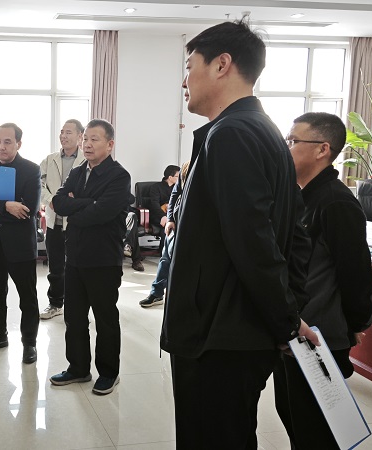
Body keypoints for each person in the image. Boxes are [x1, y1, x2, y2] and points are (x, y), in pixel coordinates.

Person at [161, 20, 319, 449]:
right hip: (239, 333)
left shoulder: (230, 135)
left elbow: (254, 244)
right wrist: (287, 315)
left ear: (222, 64)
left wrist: (286, 321)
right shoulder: (263, 130)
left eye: (189, 67)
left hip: (218, 338)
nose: (184, 81)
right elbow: (296, 238)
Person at [274, 112, 372, 449]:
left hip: (319, 338)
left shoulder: (336, 202)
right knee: (293, 417)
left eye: (293, 141)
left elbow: (356, 273)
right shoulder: (298, 196)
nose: (286, 148)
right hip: (293, 331)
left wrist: (355, 323)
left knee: (316, 432)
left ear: (322, 149)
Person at [48, 119, 131, 395]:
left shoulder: (119, 176)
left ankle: (108, 373)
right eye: (86, 139)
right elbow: (59, 203)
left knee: (105, 319)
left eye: (95, 139)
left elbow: (102, 212)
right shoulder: (78, 170)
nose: (87, 144)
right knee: (74, 317)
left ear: (110, 144)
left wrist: (77, 207)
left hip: (103, 259)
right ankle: (78, 368)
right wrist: (87, 203)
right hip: (75, 257)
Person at [0, 123, 42, 365]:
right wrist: (6, 206)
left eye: (7, 142)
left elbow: (29, 209)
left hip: (20, 245)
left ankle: (29, 343)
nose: (1, 147)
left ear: (18, 144)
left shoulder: (31, 170)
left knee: (27, 297)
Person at [39, 119, 86, 320]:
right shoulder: (50, 159)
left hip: (77, 223)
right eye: (62, 132)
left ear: (80, 136)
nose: (63, 136)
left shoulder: (86, 160)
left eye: (68, 132)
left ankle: (77, 304)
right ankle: (55, 303)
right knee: (55, 267)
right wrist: (50, 200)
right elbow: (38, 184)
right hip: (54, 221)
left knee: (78, 266)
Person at [139, 162, 186, 308]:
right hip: (168, 220)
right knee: (166, 259)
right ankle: (157, 293)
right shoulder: (158, 187)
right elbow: (170, 200)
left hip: (189, 225)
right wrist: (169, 218)